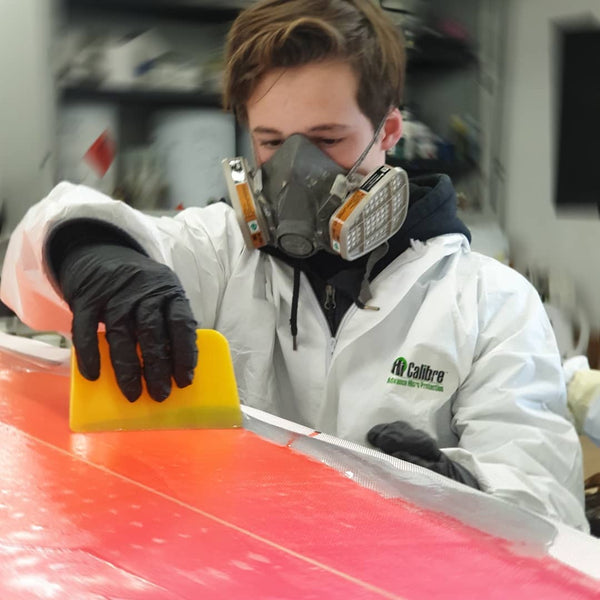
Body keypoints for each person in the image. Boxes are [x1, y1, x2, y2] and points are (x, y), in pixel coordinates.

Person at [0, 0, 588, 531]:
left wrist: (466, 498)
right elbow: (42, 246)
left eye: (327, 139)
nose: (296, 172)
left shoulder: (490, 304)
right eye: (272, 142)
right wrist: (95, 252)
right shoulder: (222, 253)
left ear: (387, 131)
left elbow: (544, 507)